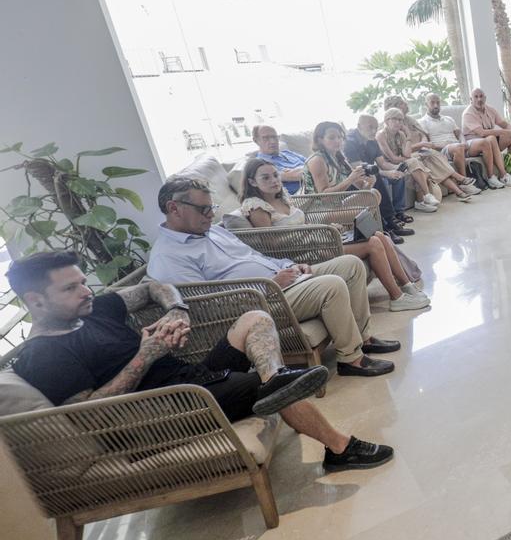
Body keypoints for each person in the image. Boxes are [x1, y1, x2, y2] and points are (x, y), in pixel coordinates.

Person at [7, 251, 394, 472]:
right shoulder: (43, 355)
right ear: (35, 301)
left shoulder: (93, 310)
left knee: (254, 320)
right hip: (165, 413)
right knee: (274, 388)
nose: (86, 291)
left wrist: (176, 309)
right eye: (71, 288)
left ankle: (276, 376)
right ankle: (340, 449)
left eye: (83, 281)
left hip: (192, 380)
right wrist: (145, 356)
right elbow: (91, 414)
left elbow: (149, 288)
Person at [147, 178, 399, 377]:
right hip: (259, 301)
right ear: (173, 208)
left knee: (351, 265)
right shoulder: (168, 257)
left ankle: (363, 339)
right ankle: (351, 359)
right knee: (331, 286)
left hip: (280, 280)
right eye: (204, 209)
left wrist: (291, 265)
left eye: (210, 207)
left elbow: (254, 256)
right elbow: (207, 307)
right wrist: (268, 286)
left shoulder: (211, 231)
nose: (211, 215)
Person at [237, 158, 431, 312]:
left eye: (275, 175)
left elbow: (302, 222)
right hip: (302, 254)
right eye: (266, 178)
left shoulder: (283, 197)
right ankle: (397, 298)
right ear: (252, 181)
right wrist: (318, 232)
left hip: (317, 242)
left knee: (378, 235)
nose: (274, 181)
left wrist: (326, 228)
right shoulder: (255, 206)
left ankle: (407, 286)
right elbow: (271, 244)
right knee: (372, 243)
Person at [384, 96, 485, 197]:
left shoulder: (410, 120)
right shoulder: (394, 126)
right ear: (394, 108)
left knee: (433, 160)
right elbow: (403, 150)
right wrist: (421, 145)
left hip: (421, 150)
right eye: (402, 103)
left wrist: (423, 143)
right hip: (411, 154)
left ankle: (460, 190)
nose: (406, 104)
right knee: (432, 160)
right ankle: (460, 183)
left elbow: (423, 134)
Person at [377, 108, 475, 210]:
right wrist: (409, 157)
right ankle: (430, 194)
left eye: (400, 120)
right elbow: (393, 159)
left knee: (429, 154)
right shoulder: (381, 135)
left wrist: (408, 136)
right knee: (416, 161)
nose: (398, 122)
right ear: (386, 120)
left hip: (403, 159)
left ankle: (428, 199)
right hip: (390, 165)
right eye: (394, 119)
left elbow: (406, 154)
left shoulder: (401, 134)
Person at [345, 114, 415, 236]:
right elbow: (360, 168)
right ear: (359, 126)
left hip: (372, 173)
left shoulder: (372, 141)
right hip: (357, 177)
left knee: (397, 177)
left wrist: (396, 169)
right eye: (370, 127)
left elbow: (382, 163)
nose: (373, 131)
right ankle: (388, 221)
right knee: (376, 178)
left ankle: (398, 213)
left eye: (376, 128)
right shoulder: (349, 142)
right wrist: (387, 173)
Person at [421, 93, 505, 189]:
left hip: (459, 145)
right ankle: (465, 184)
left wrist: (463, 142)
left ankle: (491, 178)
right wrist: (450, 145)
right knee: (458, 147)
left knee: (485, 142)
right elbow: (428, 145)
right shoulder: (423, 122)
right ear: (426, 104)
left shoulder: (448, 119)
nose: (436, 105)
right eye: (432, 103)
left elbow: (459, 133)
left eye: (438, 102)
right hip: (443, 149)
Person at [462, 88, 511, 187]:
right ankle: (501, 176)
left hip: (490, 141)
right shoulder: (468, 113)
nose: (479, 99)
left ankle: (508, 166)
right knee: (491, 138)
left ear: (485, 98)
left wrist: (510, 130)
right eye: (476, 97)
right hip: (472, 144)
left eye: (481, 96)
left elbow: (503, 123)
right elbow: (482, 133)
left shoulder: (490, 109)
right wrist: (504, 132)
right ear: (471, 99)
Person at [252, 125, 309, 195]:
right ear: (256, 141)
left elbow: (314, 164)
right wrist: (305, 169)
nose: (272, 141)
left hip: (318, 186)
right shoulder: (261, 163)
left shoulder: (287, 153)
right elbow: (298, 175)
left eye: (274, 137)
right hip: (302, 198)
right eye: (266, 138)